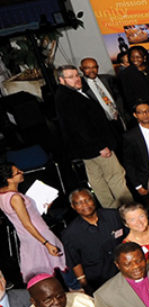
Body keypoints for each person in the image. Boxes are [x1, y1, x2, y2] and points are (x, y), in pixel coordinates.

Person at [55, 63, 134, 209]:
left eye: (77, 75)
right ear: (61, 80)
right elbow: (81, 127)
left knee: (98, 180)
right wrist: (101, 146)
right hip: (96, 147)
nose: (77, 79)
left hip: (87, 150)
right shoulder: (68, 97)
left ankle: (112, 212)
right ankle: (130, 210)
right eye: (71, 77)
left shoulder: (68, 94)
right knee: (115, 176)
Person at [0, 163, 66, 282]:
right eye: (17, 172)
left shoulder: (2, 194)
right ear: (8, 179)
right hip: (39, 235)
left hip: (27, 238)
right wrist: (46, 243)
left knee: (42, 273)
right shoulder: (15, 198)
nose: (22, 172)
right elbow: (27, 223)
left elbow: (21, 215)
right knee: (58, 267)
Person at [62, 189, 126, 293]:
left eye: (88, 200)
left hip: (125, 269)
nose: (85, 205)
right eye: (79, 203)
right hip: (99, 279)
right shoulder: (70, 233)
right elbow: (74, 261)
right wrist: (84, 284)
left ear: (94, 200)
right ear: (73, 206)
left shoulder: (114, 215)